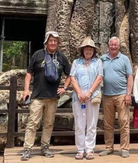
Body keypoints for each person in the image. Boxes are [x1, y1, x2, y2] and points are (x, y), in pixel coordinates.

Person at [21, 31, 71, 161]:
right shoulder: (38, 55)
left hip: (53, 97)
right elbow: (29, 73)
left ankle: (45, 146)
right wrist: (26, 90)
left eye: (55, 41)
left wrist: (64, 88)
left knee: (49, 123)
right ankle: (27, 148)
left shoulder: (61, 57)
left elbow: (70, 74)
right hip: (38, 96)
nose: (53, 43)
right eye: (51, 40)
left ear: (58, 43)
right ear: (46, 42)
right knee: (33, 123)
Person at [99, 36, 133, 158]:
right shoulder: (102, 59)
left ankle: (124, 148)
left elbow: (130, 77)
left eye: (115, 45)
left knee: (124, 122)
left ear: (118, 46)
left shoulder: (124, 59)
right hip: (107, 95)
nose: (113, 46)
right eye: (111, 44)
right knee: (108, 123)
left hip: (121, 95)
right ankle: (109, 147)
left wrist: (128, 94)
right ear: (108, 45)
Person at [70, 37, 103, 160]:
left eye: (90, 49)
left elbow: (99, 77)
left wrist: (89, 93)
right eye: (86, 49)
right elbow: (72, 78)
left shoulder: (98, 62)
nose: (88, 51)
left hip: (92, 96)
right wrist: (79, 93)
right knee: (79, 124)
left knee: (92, 123)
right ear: (82, 50)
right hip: (78, 97)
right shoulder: (76, 62)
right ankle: (80, 149)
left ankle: (89, 149)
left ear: (93, 51)